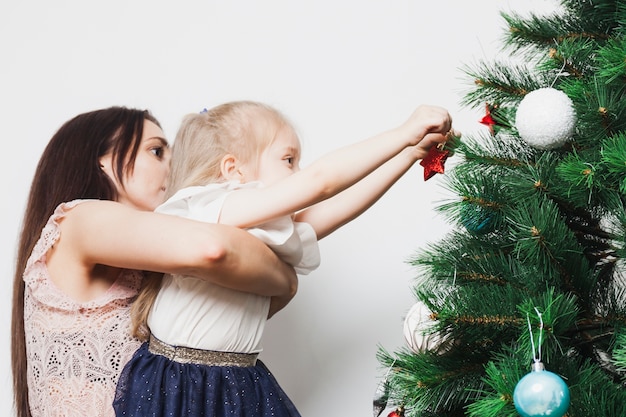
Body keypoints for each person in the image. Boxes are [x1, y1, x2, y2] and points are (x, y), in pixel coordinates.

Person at [113, 100, 456, 417]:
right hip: (181, 383)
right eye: (289, 160)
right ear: (234, 170)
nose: (298, 172)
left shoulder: (262, 227)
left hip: (239, 379)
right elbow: (320, 183)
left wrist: (409, 154)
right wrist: (401, 133)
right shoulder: (210, 206)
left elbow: (332, 211)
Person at [11, 106, 298, 417]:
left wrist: (278, 279)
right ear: (103, 161)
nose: (171, 167)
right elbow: (213, 248)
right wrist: (285, 278)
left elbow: (244, 307)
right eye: (157, 151)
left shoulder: (151, 261)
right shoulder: (80, 219)